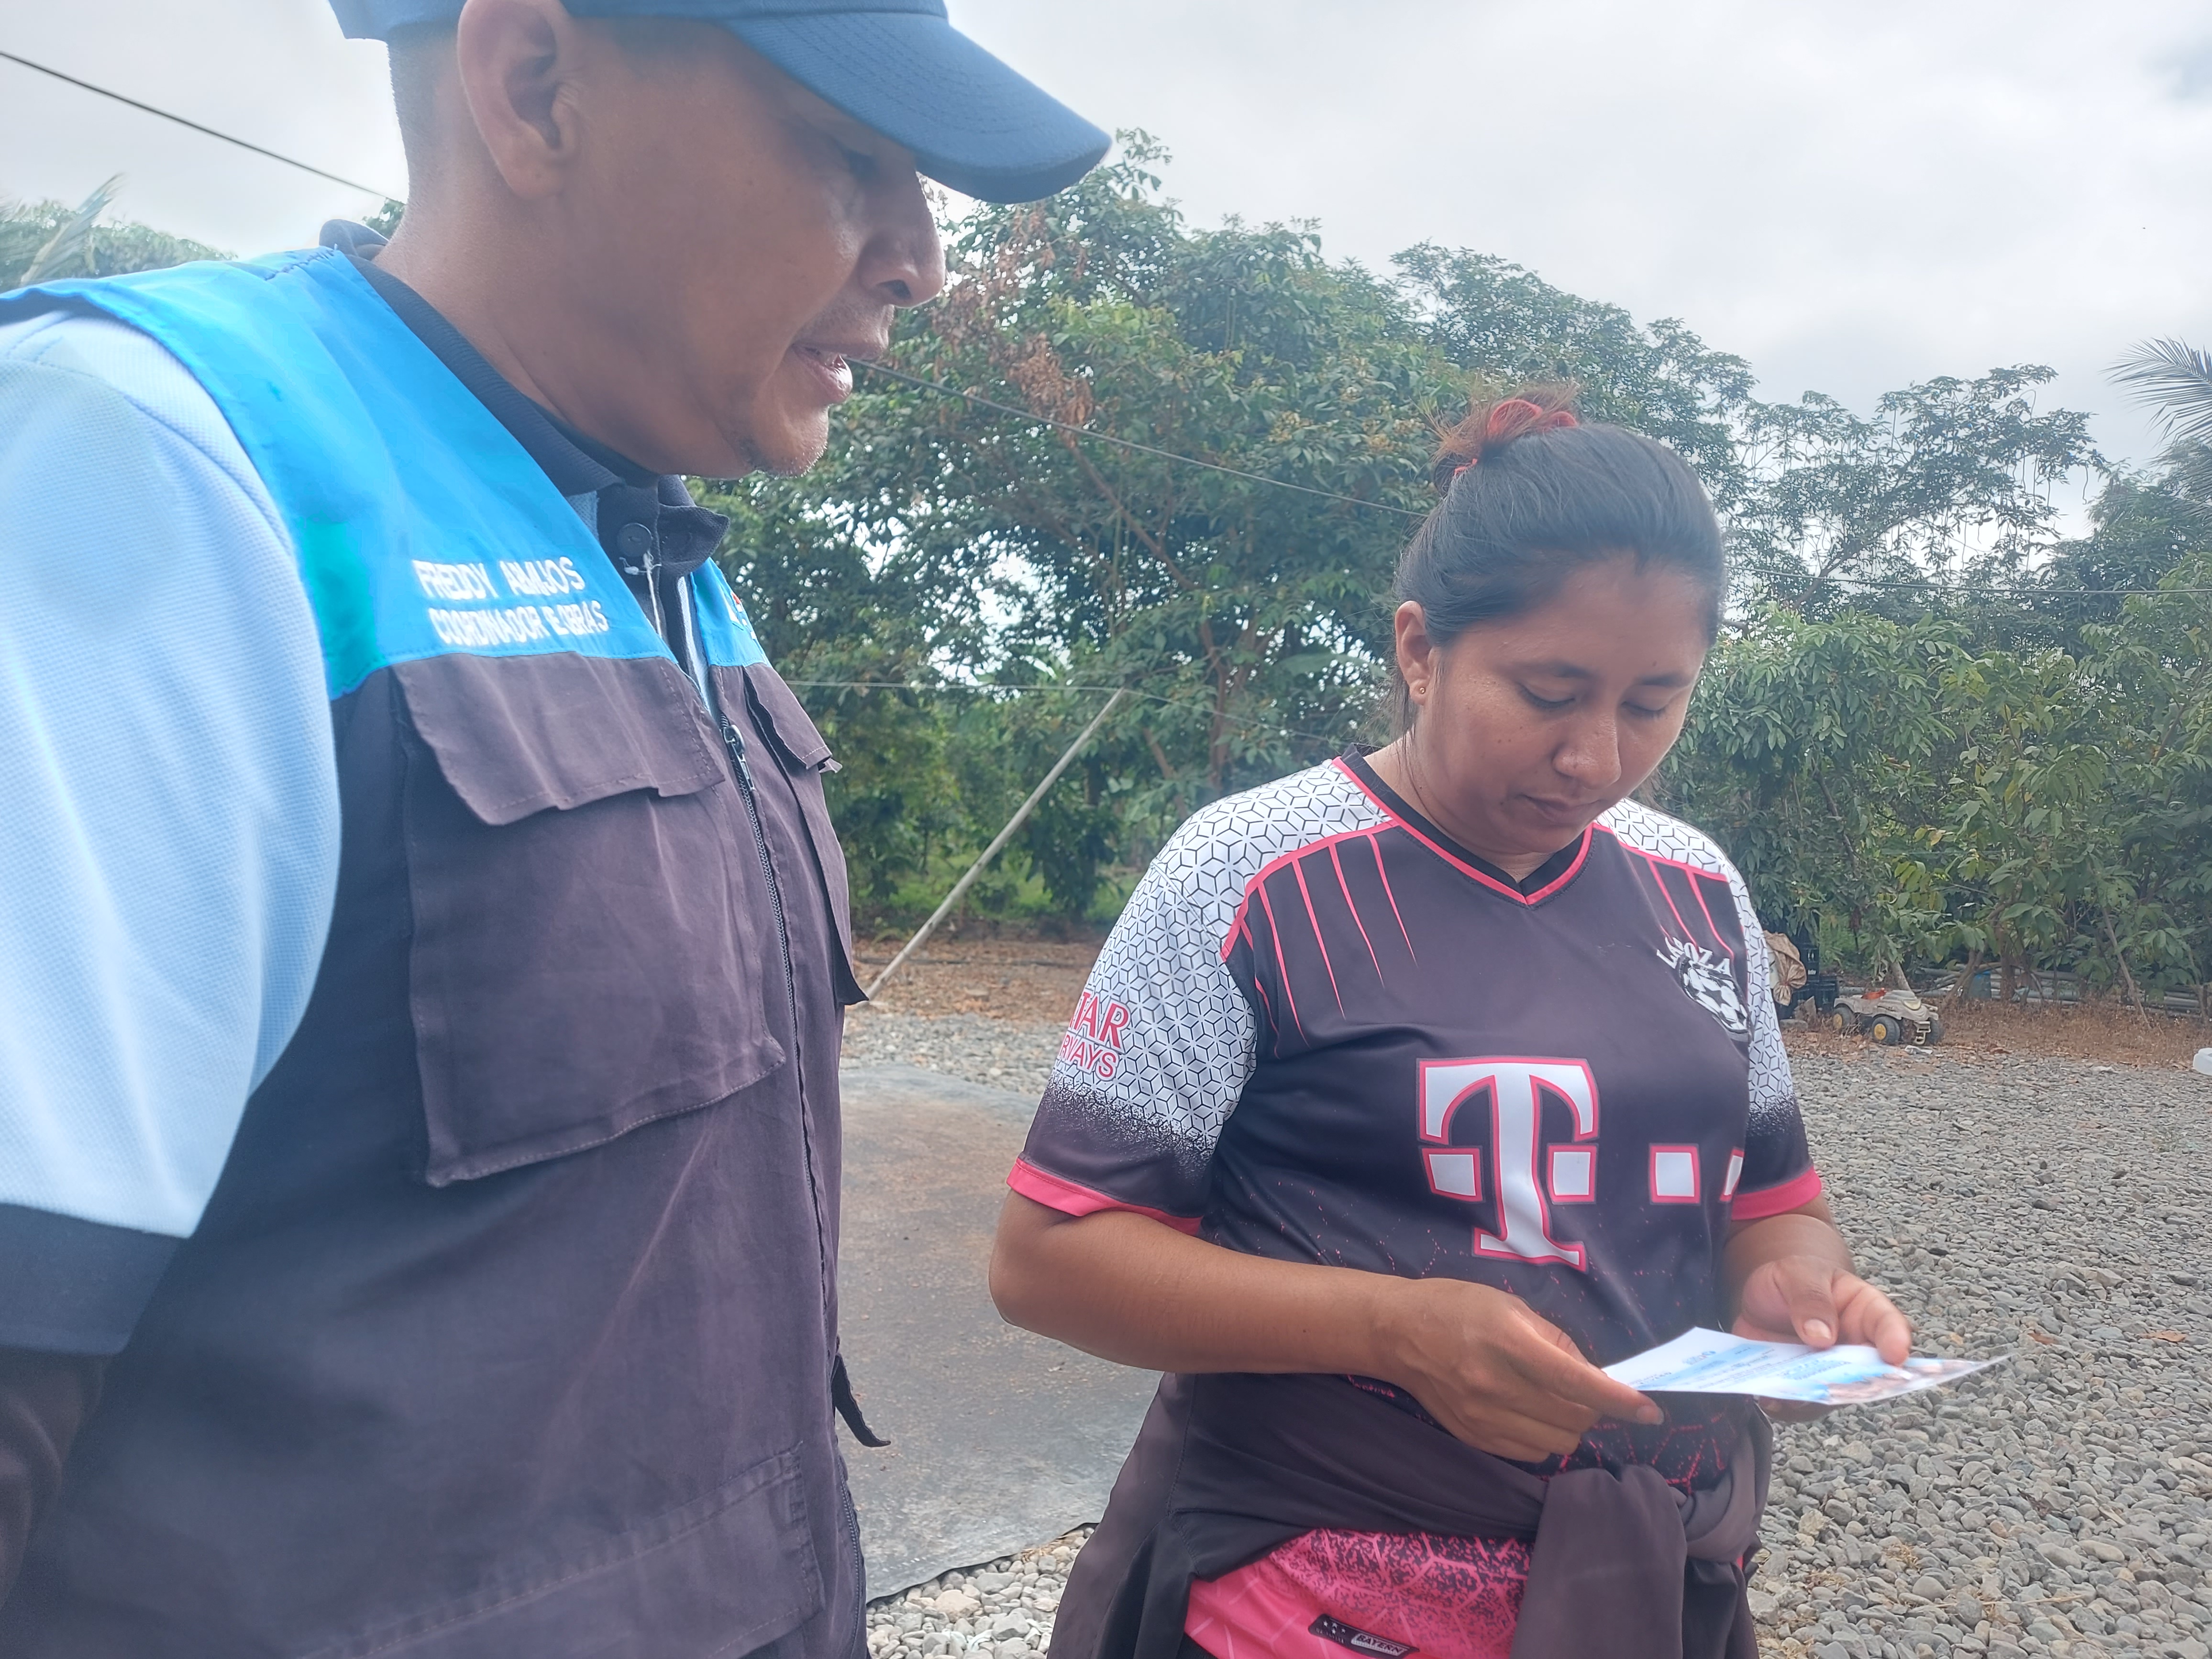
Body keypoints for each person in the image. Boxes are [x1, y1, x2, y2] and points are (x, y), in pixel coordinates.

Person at [0, 2, 1105, 1653]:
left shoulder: (655, 550)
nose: (922, 260)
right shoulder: (160, 470)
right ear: (533, 85)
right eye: (852, 155)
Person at [991, 389, 1913, 1659]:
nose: (1596, 758)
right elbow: (1049, 1256)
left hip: (1647, 1581)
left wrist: (1793, 1292)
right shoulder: (1253, 874)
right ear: (1420, 650)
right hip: (1307, 1588)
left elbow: (1769, 1200)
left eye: (1653, 702)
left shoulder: (1697, 890)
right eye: (1548, 692)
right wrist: (1394, 1330)